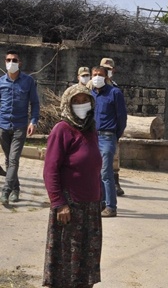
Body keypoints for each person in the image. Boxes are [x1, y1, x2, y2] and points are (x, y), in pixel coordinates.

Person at [43, 84, 102, 287]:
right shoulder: (62, 130)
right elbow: (50, 169)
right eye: (75, 101)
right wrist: (59, 203)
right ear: (67, 104)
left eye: (84, 100)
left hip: (91, 207)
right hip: (69, 207)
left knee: (86, 264)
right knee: (66, 264)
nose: (80, 105)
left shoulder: (91, 129)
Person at [0, 50, 40, 204]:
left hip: (20, 126)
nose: (11, 63)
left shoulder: (28, 81)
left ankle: (6, 191)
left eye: (14, 60)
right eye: (8, 60)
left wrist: (33, 121)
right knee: (8, 161)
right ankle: (16, 189)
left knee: (14, 159)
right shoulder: (1, 81)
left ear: (20, 63)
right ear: (5, 62)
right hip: (3, 125)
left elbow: (35, 103)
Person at [90, 65, 127, 217]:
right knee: (96, 173)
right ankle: (102, 203)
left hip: (107, 137)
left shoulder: (115, 93)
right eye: (94, 74)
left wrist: (115, 136)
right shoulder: (90, 94)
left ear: (106, 77)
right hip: (93, 137)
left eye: (100, 74)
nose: (97, 77)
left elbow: (122, 118)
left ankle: (111, 206)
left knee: (106, 173)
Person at [99, 58, 125, 196]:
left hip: (111, 130)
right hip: (97, 130)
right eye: (105, 69)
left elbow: (121, 114)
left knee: (113, 158)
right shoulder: (93, 85)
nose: (107, 71)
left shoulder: (115, 88)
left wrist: (118, 132)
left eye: (109, 69)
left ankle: (115, 183)